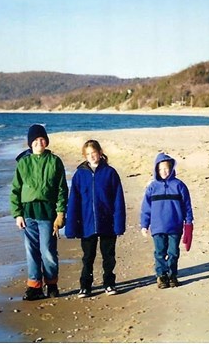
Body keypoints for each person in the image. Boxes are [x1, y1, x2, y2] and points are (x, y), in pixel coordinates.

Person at [10, 124, 69, 300]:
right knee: (31, 250)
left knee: (48, 250)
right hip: (28, 213)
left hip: (47, 212)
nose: (39, 142)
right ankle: (34, 286)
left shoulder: (54, 161)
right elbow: (15, 189)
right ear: (30, 143)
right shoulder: (23, 162)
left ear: (46, 141)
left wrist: (60, 213)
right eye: (35, 140)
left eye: (42, 139)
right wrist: (17, 214)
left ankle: (51, 284)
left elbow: (61, 189)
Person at [65, 140, 126, 298]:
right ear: (84, 156)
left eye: (94, 153)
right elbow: (74, 202)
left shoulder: (110, 173)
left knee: (108, 256)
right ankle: (85, 286)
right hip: (86, 224)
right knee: (88, 257)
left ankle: (109, 283)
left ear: (100, 152)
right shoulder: (80, 174)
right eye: (88, 154)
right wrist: (71, 226)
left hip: (107, 223)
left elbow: (118, 200)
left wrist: (119, 224)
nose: (92, 156)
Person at [140, 152, 194, 288]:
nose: (163, 172)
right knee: (159, 253)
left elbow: (187, 206)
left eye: (166, 168)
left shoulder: (179, 185)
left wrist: (188, 222)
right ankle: (161, 276)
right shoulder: (152, 187)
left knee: (173, 252)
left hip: (175, 226)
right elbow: (146, 207)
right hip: (157, 227)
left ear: (171, 168)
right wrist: (144, 225)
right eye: (160, 169)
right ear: (156, 170)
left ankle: (172, 275)